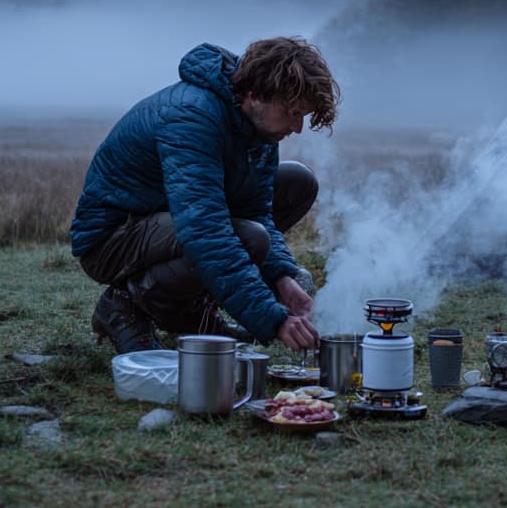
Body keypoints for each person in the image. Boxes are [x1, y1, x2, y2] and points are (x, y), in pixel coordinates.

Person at [70, 37, 338, 353]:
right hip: (112, 240)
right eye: (292, 112)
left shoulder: (257, 126)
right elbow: (206, 230)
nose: (297, 128)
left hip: (168, 222)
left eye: (302, 116)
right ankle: (125, 304)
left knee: (296, 182)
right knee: (248, 237)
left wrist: (282, 279)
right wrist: (273, 318)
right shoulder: (191, 116)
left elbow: (257, 210)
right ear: (254, 94)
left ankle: (193, 311)